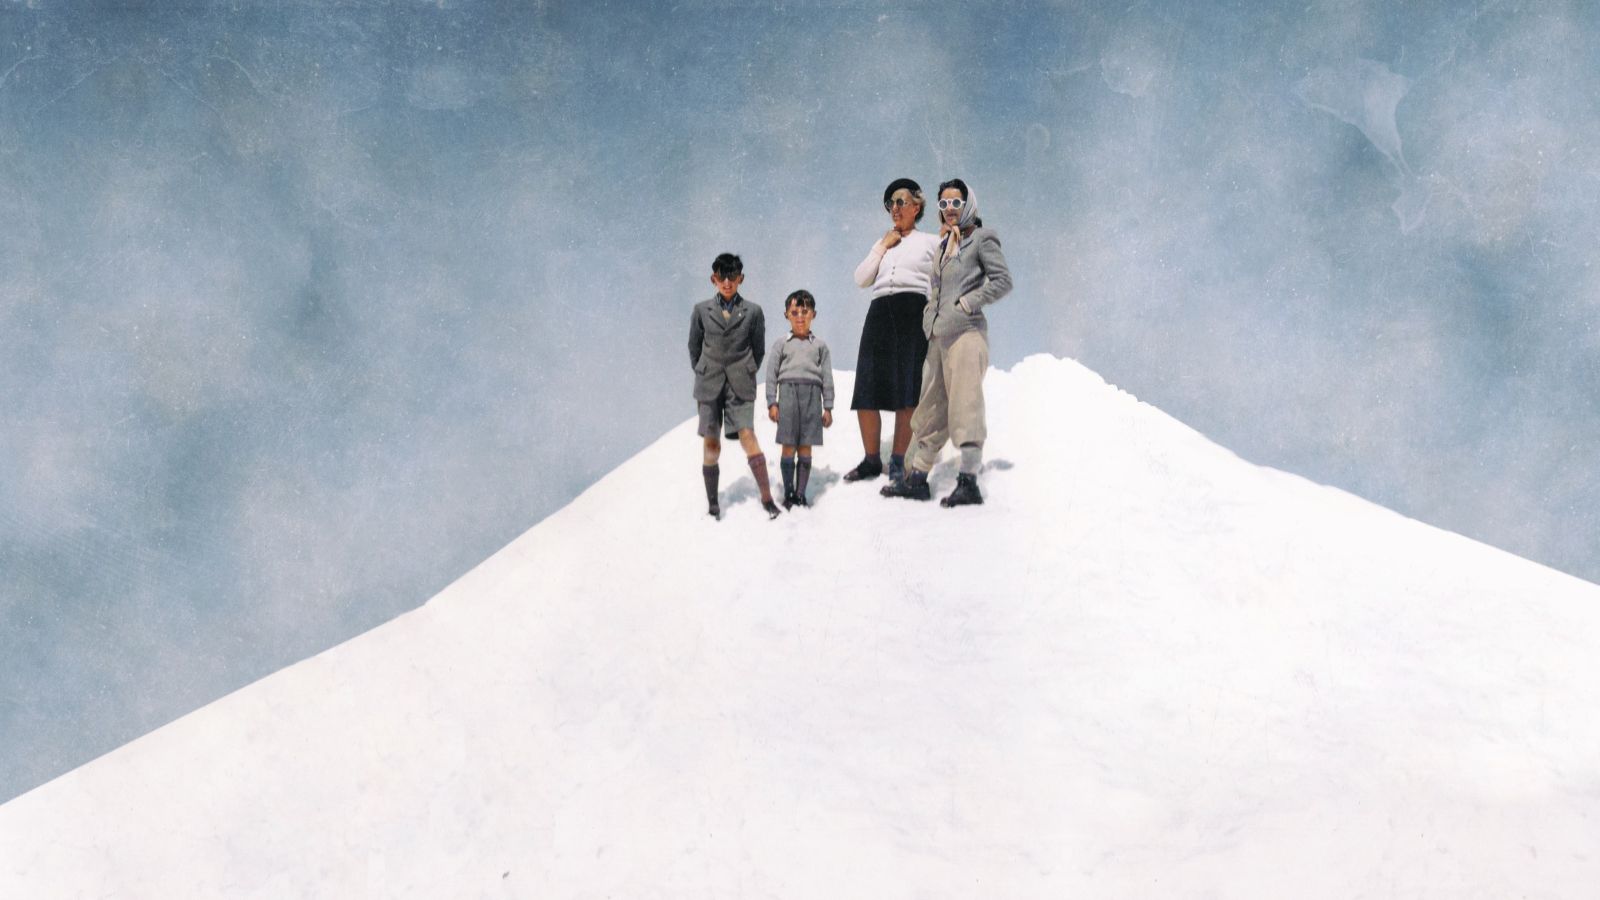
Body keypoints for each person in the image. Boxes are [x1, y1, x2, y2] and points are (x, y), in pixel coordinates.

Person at [882, 178, 1012, 507]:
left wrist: (967, 304)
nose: (950, 210)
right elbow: (936, 291)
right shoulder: (944, 246)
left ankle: (968, 481)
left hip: (967, 335)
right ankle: (917, 479)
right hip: (939, 339)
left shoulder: (982, 239)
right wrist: (930, 318)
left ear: (968, 205)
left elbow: (1002, 281)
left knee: (964, 402)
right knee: (930, 408)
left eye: (956, 203)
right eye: (944, 205)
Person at [844, 178, 940, 485]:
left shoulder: (930, 241)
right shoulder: (883, 242)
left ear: (917, 205)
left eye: (901, 201)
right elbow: (861, 278)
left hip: (913, 310)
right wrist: (882, 246)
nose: (895, 208)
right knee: (867, 388)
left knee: (907, 389)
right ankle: (872, 460)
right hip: (879, 311)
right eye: (890, 204)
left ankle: (898, 460)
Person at [689, 253, 781, 520]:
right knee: (711, 444)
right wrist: (704, 370)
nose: (727, 282)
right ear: (713, 279)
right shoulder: (701, 310)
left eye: (732, 277)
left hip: (740, 384)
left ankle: (766, 498)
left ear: (741, 278)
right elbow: (694, 348)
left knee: (747, 436)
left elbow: (759, 349)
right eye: (721, 277)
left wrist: (745, 369)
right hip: (709, 383)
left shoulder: (753, 311)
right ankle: (713, 504)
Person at [764, 290, 835, 509]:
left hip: (812, 399)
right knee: (788, 447)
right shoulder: (781, 344)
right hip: (787, 396)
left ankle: (801, 494)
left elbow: (827, 377)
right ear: (786, 314)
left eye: (805, 311)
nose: (800, 317)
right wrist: (772, 403)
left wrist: (828, 407)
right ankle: (789, 493)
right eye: (794, 312)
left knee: (805, 447)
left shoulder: (820, 346)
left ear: (814, 314)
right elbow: (771, 375)